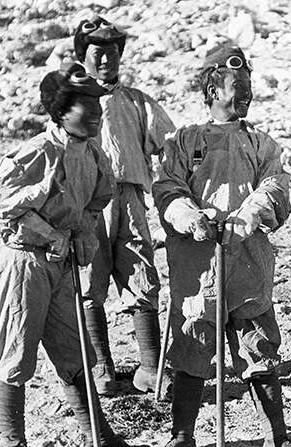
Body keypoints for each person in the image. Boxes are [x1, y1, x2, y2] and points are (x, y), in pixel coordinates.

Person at [141, 43, 291, 447]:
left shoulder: (261, 143)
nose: (244, 94)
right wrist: (187, 214)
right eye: (236, 86)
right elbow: (166, 188)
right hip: (198, 263)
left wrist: (250, 214)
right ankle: (182, 440)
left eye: (249, 87)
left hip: (247, 260)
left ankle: (277, 441)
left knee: (259, 346)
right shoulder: (183, 140)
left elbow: (275, 185)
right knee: (192, 345)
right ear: (212, 88)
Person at [0, 63, 153, 447]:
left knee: (74, 355)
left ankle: (100, 441)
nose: (95, 113)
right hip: (24, 263)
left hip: (61, 265)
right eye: (83, 105)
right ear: (60, 111)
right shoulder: (40, 150)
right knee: (16, 352)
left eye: (96, 104)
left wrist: (83, 235)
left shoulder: (92, 152)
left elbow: (97, 199)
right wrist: (47, 229)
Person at [73, 16, 176, 395]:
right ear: (82, 55)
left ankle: (151, 366)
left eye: (112, 53)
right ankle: (101, 367)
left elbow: (170, 141)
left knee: (140, 273)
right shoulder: (74, 102)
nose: (105, 61)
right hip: (87, 204)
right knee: (88, 280)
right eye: (97, 53)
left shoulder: (135, 101)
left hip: (130, 196)